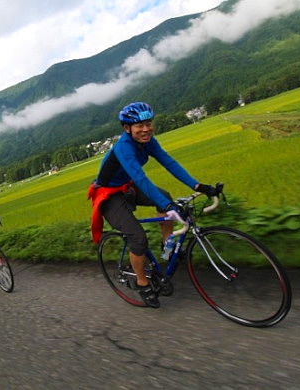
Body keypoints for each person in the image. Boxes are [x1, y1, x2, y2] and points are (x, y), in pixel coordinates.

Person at [88, 102, 220, 308]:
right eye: (139, 125)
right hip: (110, 196)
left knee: (164, 196)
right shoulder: (124, 147)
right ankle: (143, 283)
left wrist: (198, 185)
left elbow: (169, 162)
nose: (146, 129)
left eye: (148, 123)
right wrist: (168, 207)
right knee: (138, 238)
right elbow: (140, 179)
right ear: (127, 129)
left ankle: (166, 244)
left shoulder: (147, 141)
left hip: (127, 186)